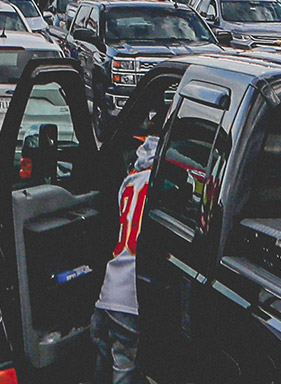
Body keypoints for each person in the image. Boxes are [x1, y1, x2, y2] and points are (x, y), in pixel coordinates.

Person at [91, 135, 158, 384]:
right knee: (124, 365)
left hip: (109, 288)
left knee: (102, 354)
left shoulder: (130, 181)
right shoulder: (164, 183)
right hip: (133, 294)